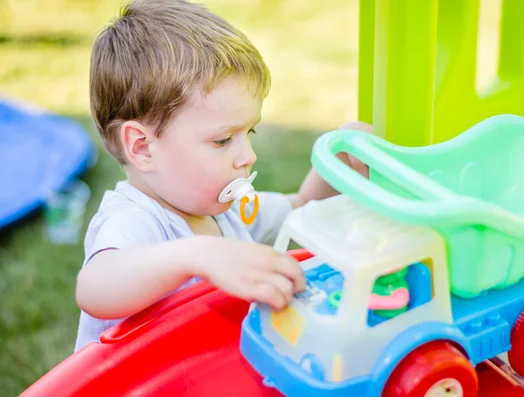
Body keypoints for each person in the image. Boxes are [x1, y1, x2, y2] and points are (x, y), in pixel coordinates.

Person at [74, 0, 370, 351]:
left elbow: (302, 206)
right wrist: (199, 255)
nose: (248, 155)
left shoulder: (224, 209)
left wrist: (338, 161)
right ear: (143, 148)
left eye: (250, 133)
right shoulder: (134, 220)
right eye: (223, 140)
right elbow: (94, 287)